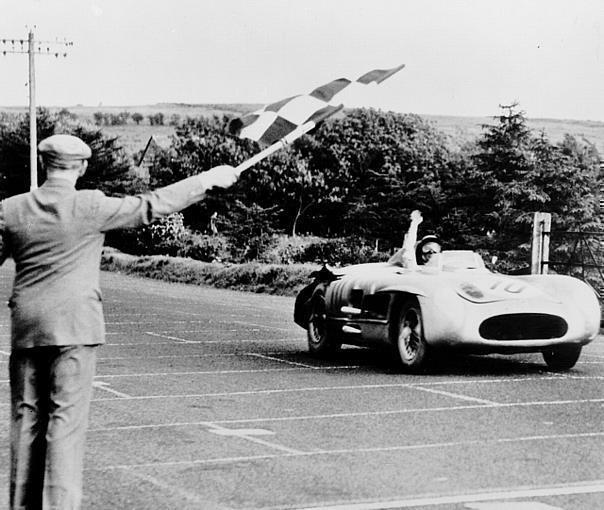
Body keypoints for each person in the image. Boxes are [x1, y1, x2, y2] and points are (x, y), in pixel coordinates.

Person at [0, 134, 240, 510]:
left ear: (45, 165)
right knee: (64, 423)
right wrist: (207, 179)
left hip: (27, 326)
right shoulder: (91, 205)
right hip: (76, 327)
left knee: (25, 418)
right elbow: (150, 205)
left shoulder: (11, 209)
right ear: (81, 167)